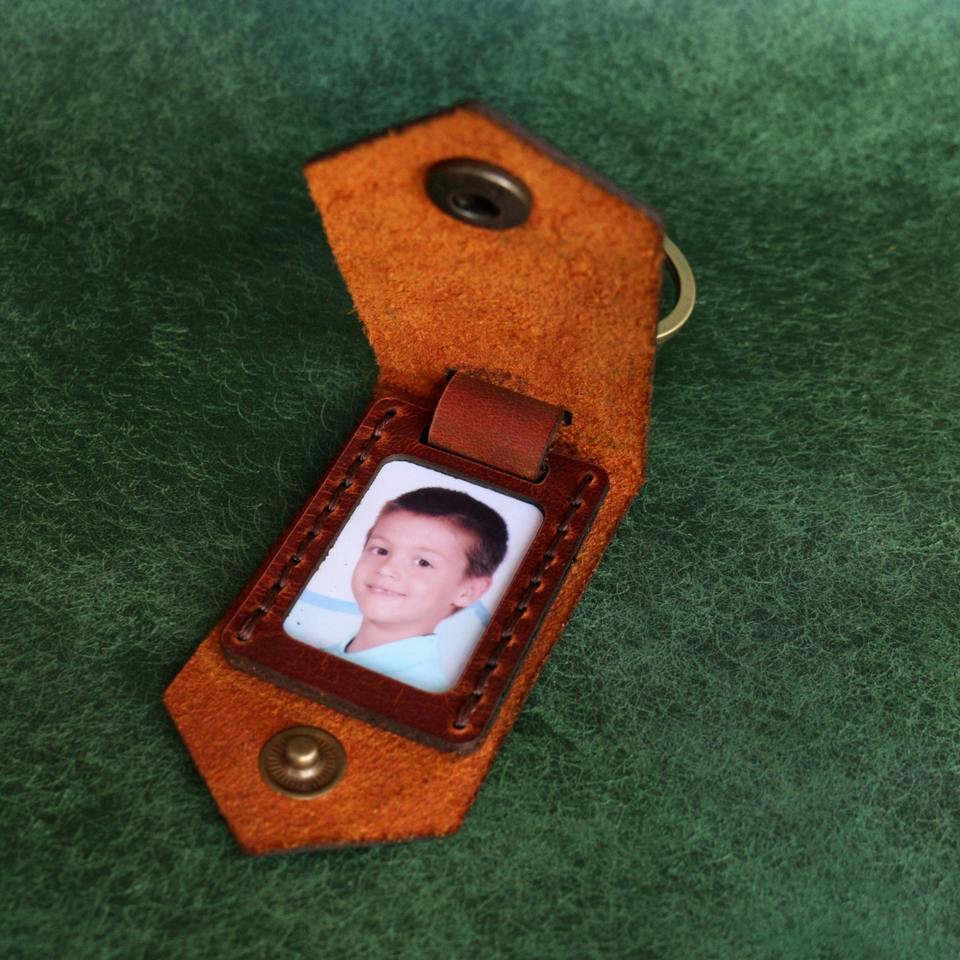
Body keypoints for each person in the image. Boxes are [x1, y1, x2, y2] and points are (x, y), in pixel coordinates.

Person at [283, 487, 508, 693]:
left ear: (468, 591)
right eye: (381, 550)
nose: (387, 568)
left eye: (423, 562)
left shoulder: (422, 695)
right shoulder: (308, 653)